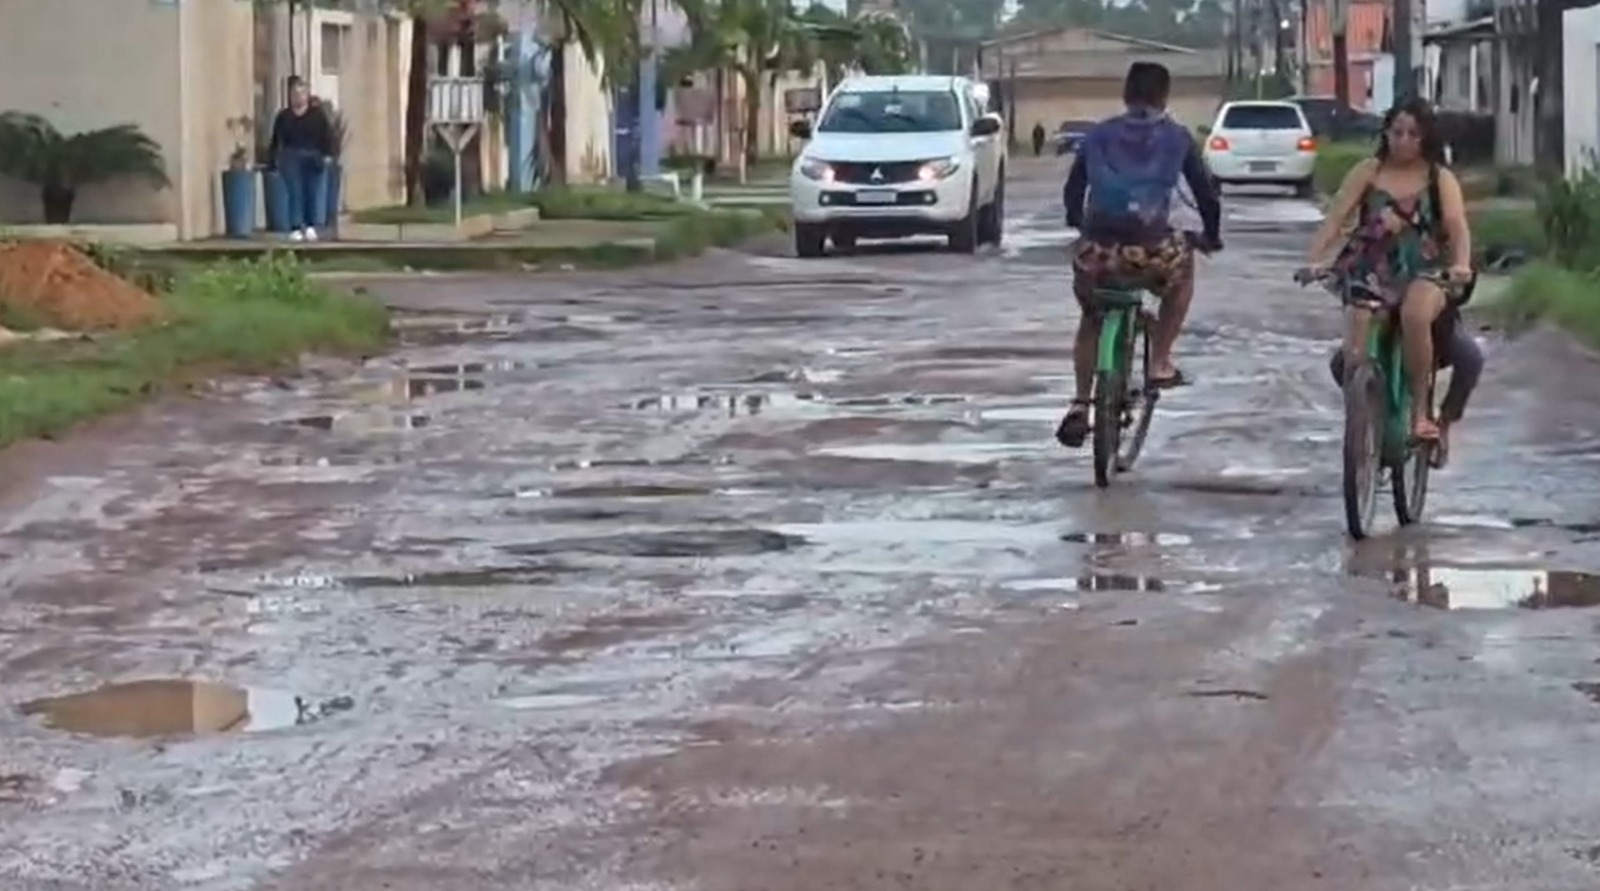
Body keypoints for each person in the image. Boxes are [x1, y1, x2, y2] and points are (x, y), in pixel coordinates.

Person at [1304, 96, 1481, 466]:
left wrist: (1462, 264)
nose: (1403, 141)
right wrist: (1315, 260)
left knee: (1416, 314)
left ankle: (1421, 415)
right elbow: (1337, 217)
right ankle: (1364, 416)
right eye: (1397, 132)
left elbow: (1456, 225)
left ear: (1426, 137)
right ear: (1386, 132)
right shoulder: (1368, 171)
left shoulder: (1439, 178)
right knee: (1354, 334)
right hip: (1373, 267)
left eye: (1413, 134)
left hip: (1426, 270)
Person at [1056, 61, 1222, 449]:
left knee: (1092, 317)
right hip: (1151, 252)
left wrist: (1079, 224)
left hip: (1098, 254)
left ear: (1126, 94)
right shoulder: (1177, 138)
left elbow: (1073, 190)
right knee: (1183, 272)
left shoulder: (1098, 135)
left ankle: (1080, 402)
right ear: (1164, 96)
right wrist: (1210, 236)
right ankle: (1159, 361)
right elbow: (1206, 196)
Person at [268, 76, 335, 242]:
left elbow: (327, 136)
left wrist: (328, 155)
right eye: (294, 94)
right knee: (295, 191)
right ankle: (296, 226)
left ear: (307, 95)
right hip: (291, 158)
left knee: (312, 192)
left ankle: (310, 225)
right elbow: (276, 140)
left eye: (301, 93)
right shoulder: (284, 117)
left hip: (313, 157)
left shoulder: (317, 116)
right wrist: (273, 162)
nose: (297, 97)